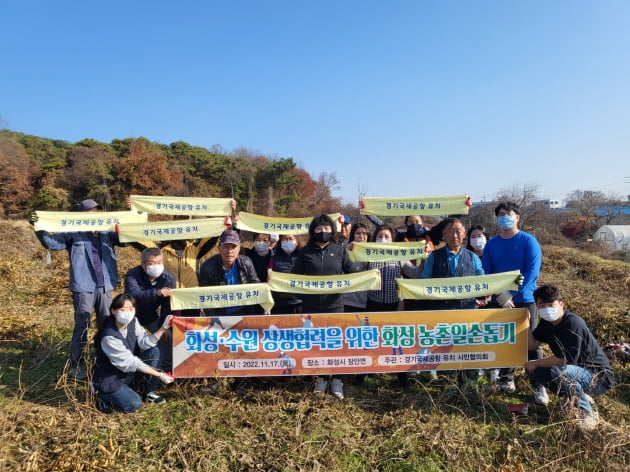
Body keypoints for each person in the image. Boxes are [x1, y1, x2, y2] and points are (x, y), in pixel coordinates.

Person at [33, 198, 126, 380]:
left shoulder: (106, 233)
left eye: (96, 211)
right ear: (81, 215)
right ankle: (76, 364)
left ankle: (104, 360)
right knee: (82, 324)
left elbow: (126, 239)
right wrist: (38, 226)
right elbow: (51, 243)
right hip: (84, 286)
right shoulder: (73, 233)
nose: (94, 215)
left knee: (106, 324)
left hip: (105, 286)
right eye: (90, 212)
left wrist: (133, 217)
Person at [481, 202, 548, 405]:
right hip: (499, 300)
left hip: (525, 299)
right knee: (503, 340)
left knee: (531, 344)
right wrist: (500, 294)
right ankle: (505, 378)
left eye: (508, 214)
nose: (504, 217)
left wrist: (512, 293)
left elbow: (531, 272)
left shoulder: (529, 241)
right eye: (500, 214)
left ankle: (538, 385)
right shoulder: (492, 244)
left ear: (517, 217)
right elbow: (486, 273)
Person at [525, 285, 614, 431]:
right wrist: (527, 323)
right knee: (538, 372)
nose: (547, 309)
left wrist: (537, 362)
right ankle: (578, 397)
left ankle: (587, 412)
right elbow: (532, 345)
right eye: (542, 306)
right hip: (576, 372)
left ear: (561, 304)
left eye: (551, 305)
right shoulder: (546, 323)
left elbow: (566, 360)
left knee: (559, 372)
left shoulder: (572, 323)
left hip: (598, 378)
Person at [292, 214, 353, 399]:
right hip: (311, 306)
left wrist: (368, 275)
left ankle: (337, 379)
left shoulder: (340, 249)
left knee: (336, 343)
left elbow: (350, 271)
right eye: (319, 229)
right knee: (317, 343)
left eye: (326, 228)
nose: (323, 232)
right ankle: (321, 378)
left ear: (332, 230)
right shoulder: (306, 252)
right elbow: (295, 276)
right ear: (313, 232)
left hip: (335, 305)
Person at [421, 218, 485, 392]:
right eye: (450, 231)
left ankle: (470, 387)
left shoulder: (473, 258)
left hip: (467, 312)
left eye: (458, 231)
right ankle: (447, 387)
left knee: (469, 346)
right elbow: (424, 283)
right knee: (444, 348)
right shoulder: (434, 257)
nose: (454, 234)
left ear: (464, 234)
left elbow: (484, 282)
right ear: (443, 234)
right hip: (442, 312)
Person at [92, 293, 174, 413]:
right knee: (134, 404)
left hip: (129, 374)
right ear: (113, 311)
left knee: (154, 351)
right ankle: (102, 397)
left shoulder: (133, 322)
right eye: (122, 309)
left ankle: (148, 392)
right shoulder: (109, 337)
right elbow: (131, 363)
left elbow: (144, 343)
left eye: (131, 309)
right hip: (111, 377)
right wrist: (160, 375)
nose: (127, 313)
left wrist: (163, 328)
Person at [124, 247, 176, 373]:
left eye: (159, 262)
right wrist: (156, 293)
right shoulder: (133, 275)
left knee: (167, 339)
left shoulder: (168, 277)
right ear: (143, 264)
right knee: (131, 344)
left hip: (150, 314)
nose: (156, 266)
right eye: (152, 263)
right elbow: (134, 295)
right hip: (130, 315)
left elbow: (167, 305)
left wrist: (166, 326)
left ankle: (166, 371)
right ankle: (132, 373)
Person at [198, 229, 260, 315]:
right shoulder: (207, 267)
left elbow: (256, 286)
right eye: (226, 246)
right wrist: (215, 319)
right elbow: (205, 296)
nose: (230, 251)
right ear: (219, 248)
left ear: (239, 248)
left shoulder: (246, 262)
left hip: (244, 311)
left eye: (233, 247)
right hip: (220, 313)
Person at [269, 234, 303, 314]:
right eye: (285, 239)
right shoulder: (274, 258)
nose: (288, 241)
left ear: (297, 241)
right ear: (280, 241)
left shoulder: (303, 256)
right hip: (279, 302)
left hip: (298, 302)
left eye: (291, 239)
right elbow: (269, 277)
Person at [343, 223, 370, 313]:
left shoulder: (373, 252)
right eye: (358, 233)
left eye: (365, 233)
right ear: (353, 235)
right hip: (349, 301)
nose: (361, 236)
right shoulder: (345, 250)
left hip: (368, 301)